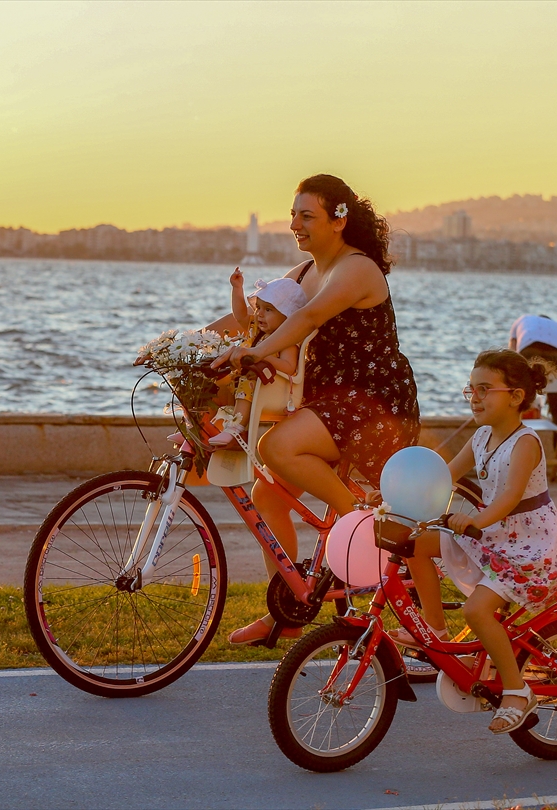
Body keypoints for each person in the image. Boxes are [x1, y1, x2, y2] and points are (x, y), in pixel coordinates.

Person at [208, 174, 421, 646]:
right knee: (268, 494)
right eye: (293, 215)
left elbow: (305, 319)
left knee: (276, 448)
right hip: (326, 402)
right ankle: (289, 607)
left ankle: (365, 526)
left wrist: (257, 354)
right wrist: (189, 344)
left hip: (372, 402)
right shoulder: (303, 274)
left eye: (307, 216)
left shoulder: (357, 269)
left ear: (338, 220)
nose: (295, 225)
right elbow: (257, 317)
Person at [396, 349, 557, 734]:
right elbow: (442, 474)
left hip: (528, 548)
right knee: (414, 543)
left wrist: (472, 520)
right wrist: (394, 493)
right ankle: (434, 630)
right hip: (492, 535)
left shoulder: (526, 442)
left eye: (484, 389)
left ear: (516, 396)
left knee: (476, 612)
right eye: (470, 389)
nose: (474, 397)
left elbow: (509, 497)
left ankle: (516, 690)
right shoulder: (480, 437)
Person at [209, 273, 305, 448]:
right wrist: (237, 289)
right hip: (245, 383)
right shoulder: (257, 330)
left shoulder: (286, 342)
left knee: (248, 379)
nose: (259, 314)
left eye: (268, 310)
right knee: (212, 379)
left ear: (287, 317)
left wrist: (262, 355)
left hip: (270, 388)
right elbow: (239, 315)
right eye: (258, 307)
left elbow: (289, 368)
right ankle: (200, 425)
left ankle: (235, 427)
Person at [508, 314, 557, 425]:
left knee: (518, 394)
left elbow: (511, 353)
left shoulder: (522, 319)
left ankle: (513, 433)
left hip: (529, 348)